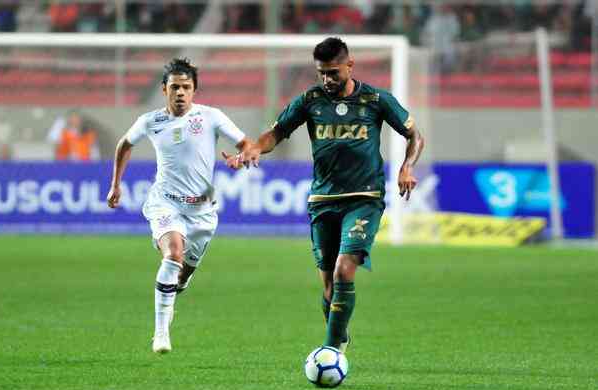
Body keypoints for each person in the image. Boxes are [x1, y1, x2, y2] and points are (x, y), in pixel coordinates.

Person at [225, 37, 425, 353]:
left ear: (350, 65)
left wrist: (406, 168)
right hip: (323, 201)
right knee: (330, 286)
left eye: (334, 72)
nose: (328, 80)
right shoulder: (310, 100)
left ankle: (330, 350)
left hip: (364, 197)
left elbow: (414, 135)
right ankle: (339, 336)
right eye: (322, 73)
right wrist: (253, 148)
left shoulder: (375, 99)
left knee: (345, 268)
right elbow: (276, 133)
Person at [107, 58, 253, 354]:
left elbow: (247, 145)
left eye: (186, 87)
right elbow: (124, 144)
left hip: (202, 212)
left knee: (182, 275)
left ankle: (176, 289)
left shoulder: (211, 117)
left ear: (195, 90)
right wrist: (115, 184)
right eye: (175, 87)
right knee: (173, 253)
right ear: (164, 90)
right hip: (165, 204)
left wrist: (241, 158)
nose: (180, 93)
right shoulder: (151, 121)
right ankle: (161, 334)